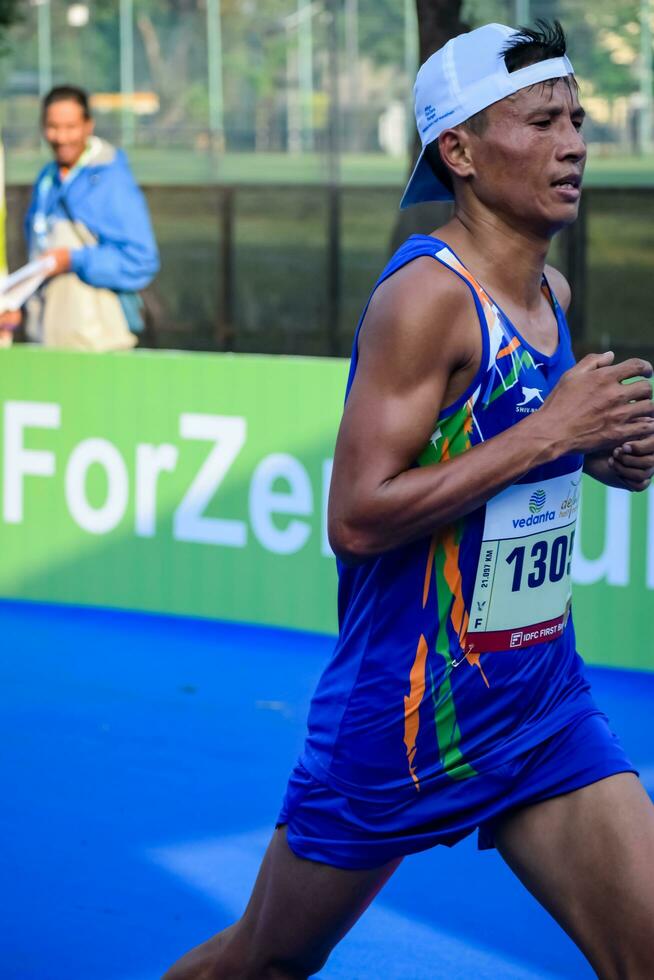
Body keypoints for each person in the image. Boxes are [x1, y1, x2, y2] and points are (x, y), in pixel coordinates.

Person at [163, 22, 654, 980]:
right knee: (261, 963)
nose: (575, 143)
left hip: (540, 700)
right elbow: (355, 514)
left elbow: (499, 442)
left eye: (578, 119)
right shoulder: (426, 299)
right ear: (460, 152)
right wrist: (553, 432)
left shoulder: (546, 286)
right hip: (408, 716)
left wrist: (597, 452)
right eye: (542, 120)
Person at [21, 84, 159, 350]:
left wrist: (73, 260)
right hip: (46, 342)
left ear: (88, 125)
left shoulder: (111, 180)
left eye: (70, 127)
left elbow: (141, 260)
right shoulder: (46, 180)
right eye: (53, 127)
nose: (61, 137)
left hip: (98, 347)